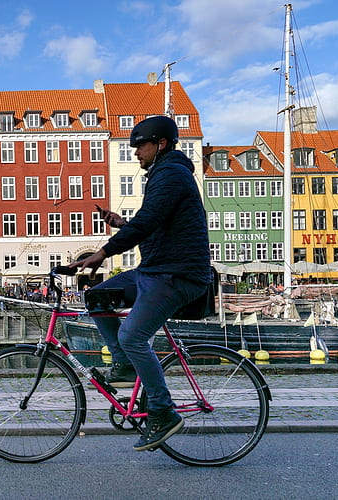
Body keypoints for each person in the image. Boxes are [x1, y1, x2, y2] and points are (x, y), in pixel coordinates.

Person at [69, 115, 211, 452]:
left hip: (179, 274)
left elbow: (148, 224)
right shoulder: (162, 175)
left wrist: (104, 252)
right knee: (97, 298)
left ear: (160, 144)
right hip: (156, 270)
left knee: (133, 335)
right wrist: (122, 224)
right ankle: (127, 365)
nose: (135, 152)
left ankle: (163, 412)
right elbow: (154, 225)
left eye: (140, 145)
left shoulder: (171, 174)